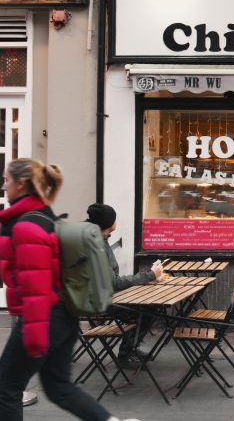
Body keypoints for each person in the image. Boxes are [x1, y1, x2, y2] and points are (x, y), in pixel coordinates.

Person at [0, 158, 140, 421]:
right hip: (65, 316)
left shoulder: (27, 226)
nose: (3, 186)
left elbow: (37, 287)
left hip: (41, 319)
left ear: (21, 184)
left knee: (6, 389)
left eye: (6, 180)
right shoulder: (45, 218)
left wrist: (35, 336)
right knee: (58, 388)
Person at [85, 203, 163, 370]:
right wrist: (150, 275)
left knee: (148, 308)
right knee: (146, 310)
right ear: (108, 223)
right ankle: (125, 354)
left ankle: (131, 348)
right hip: (99, 301)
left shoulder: (98, 238)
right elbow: (114, 283)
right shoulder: (96, 245)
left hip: (101, 296)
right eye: (114, 219)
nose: (116, 222)